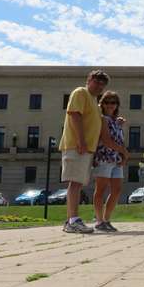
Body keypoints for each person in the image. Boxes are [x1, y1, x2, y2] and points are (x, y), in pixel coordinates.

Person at [59, 70, 127, 234]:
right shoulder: (80, 92)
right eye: (96, 82)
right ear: (88, 80)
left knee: (77, 183)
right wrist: (81, 141)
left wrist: (116, 121)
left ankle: (72, 220)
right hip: (77, 146)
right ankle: (73, 221)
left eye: (102, 84)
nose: (99, 86)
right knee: (75, 183)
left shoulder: (93, 101)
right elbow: (75, 115)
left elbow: (99, 119)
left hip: (87, 149)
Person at [92, 91, 125, 232]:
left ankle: (107, 219)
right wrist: (125, 152)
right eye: (107, 102)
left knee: (117, 190)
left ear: (117, 105)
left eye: (113, 102)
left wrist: (122, 156)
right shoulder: (102, 119)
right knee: (100, 190)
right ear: (102, 104)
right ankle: (99, 221)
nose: (110, 105)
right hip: (104, 157)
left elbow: (119, 139)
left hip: (116, 159)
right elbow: (106, 140)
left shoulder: (115, 121)